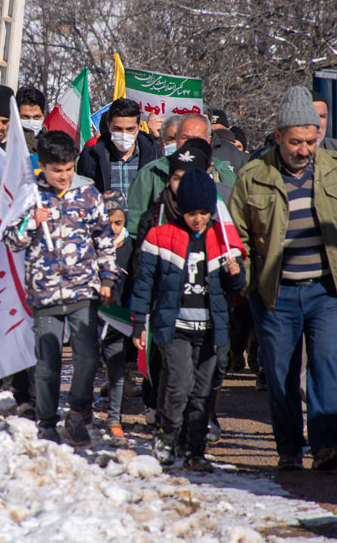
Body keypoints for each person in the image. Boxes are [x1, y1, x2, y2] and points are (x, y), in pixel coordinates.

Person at [227, 86, 337, 472]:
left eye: (311, 140)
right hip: (275, 294)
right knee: (281, 374)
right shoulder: (253, 176)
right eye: (296, 141)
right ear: (279, 137)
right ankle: (290, 448)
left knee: (327, 366)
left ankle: (326, 446)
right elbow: (236, 235)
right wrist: (244, 283)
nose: (304, 149)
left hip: (328, 293)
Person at [3, 130, 118, 446]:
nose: (64, 176)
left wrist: (108, 279)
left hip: (83, 291)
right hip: (46, 293)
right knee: (48, 363)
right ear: (43, 166)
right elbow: (11, 241)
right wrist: (30, 221)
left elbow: (104, 239)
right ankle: (47, 422)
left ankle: (78, 414)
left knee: (87, 359)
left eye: (69, 169)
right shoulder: (31, 196)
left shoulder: (88, 195)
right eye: (57, 171)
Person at [130, 168, 245, 469]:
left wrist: (236, 274)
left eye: (204, 213)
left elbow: (235, 289)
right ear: (180, 209)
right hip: (175, 328)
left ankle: (194, 449)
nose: (198, 219)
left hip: (210, 330)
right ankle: (166, 436)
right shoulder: (161, 236)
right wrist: (139, 322)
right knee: (178, 386)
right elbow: (144, 283)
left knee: (202, 392)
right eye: (192, 212)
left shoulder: (221, 239)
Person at [126, 113, 237, 241]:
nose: (190, 142)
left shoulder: (223, 173)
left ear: (209, 140)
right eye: (185, 137)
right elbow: (134, 228)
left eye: (197, 137)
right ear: (177, 138)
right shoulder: (151, 173)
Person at [98, 190, 133, 443]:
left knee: (117, 370)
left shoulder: (131, 248)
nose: (111, 228)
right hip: (92, 318)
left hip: (118, 319)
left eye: (118, 223)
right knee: (87, 366)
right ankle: (82, 414)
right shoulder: (90, 246)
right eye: (106, 222)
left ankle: (114, 417)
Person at [77, 98, 161, 196]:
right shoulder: (90, 157)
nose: (124, 134)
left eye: (130, 129)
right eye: (118, 129)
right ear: (109, 126)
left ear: (138, 126)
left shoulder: (154, 155)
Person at [16, 85, 46, 154]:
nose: (31, 121)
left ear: (43, 116)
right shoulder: (7, 142)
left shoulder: (52, 146)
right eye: (25, 117)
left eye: (36, 117)